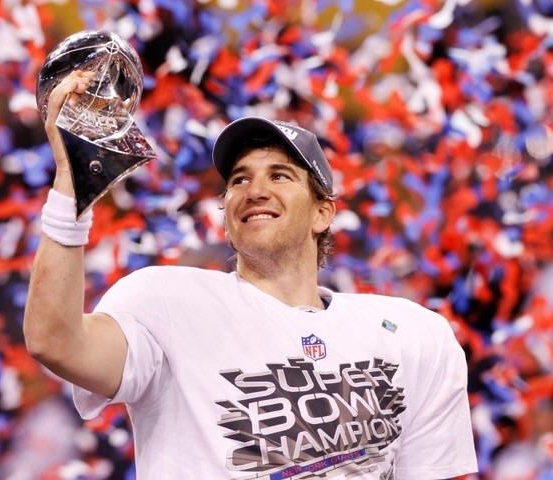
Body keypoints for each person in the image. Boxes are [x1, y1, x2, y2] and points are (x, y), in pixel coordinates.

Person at [24, 70, 478, 479]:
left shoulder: (414, 335)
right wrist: (72, 190)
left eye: (280, 176)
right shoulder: (167, 303)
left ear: (322, 213)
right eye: (239, 180)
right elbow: (56, 342)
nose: (255, 190)